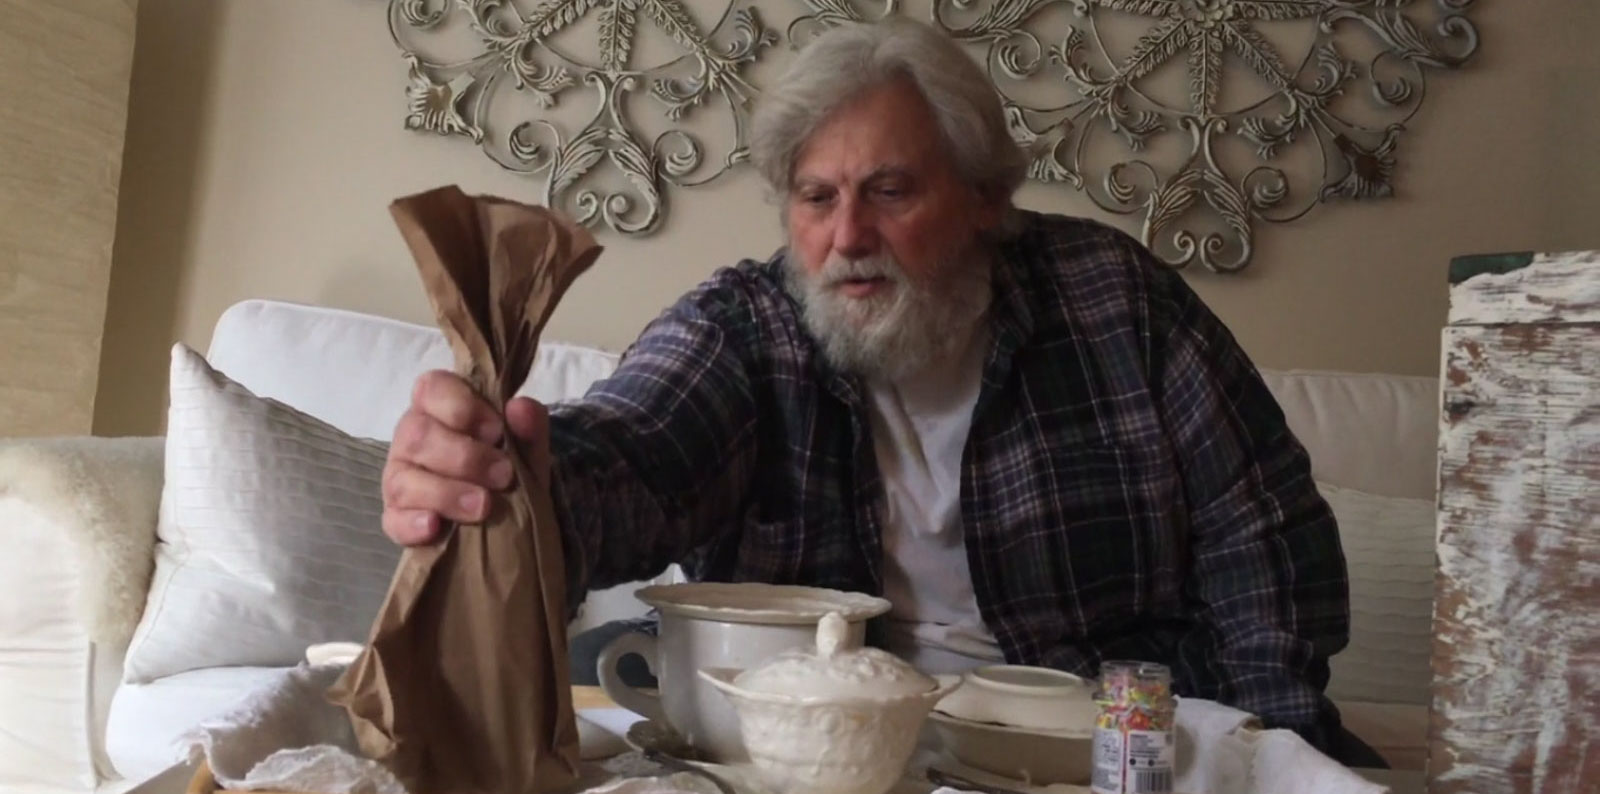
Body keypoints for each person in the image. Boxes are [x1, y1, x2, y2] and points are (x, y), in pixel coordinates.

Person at [379, 18, 1377, 767]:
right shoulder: (745, 327)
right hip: (820, 760)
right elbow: (631, 450)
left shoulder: (1115, 302)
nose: (846, 237)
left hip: (1090, 756)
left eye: (890, 191)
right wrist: (513, 478)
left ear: (985, 199)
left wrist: (1265, 749)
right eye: (816, 198)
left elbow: (1263, 534)